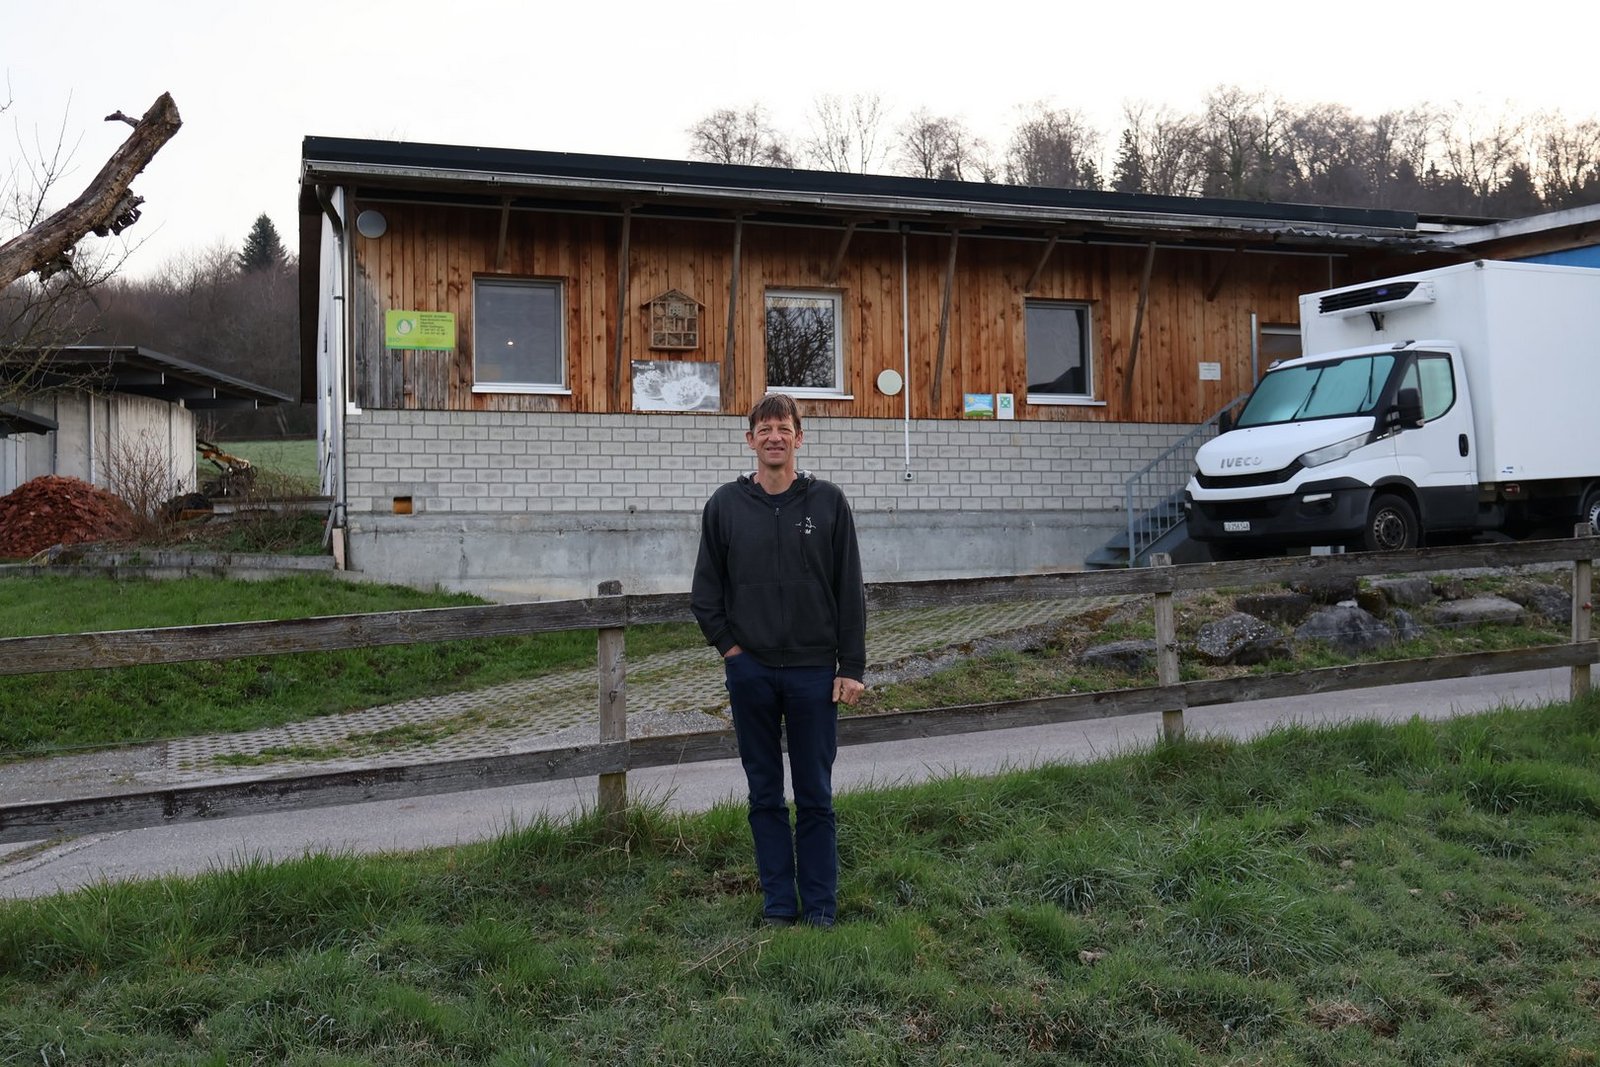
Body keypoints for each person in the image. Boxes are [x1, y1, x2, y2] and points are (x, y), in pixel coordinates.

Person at [691, 393, 866, 928]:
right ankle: (778, 906)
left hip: (814, 673)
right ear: (750, 440)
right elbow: (705, 595)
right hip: (753, 674)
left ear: (798, 438)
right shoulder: (725, 506)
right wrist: (734, 654)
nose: (774, 437)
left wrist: (851, 666)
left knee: (815, 794)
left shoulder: (828, 502)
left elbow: (850, 589)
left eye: (783, 429)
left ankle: (820, 908)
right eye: (764, 429)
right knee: (764, 793)